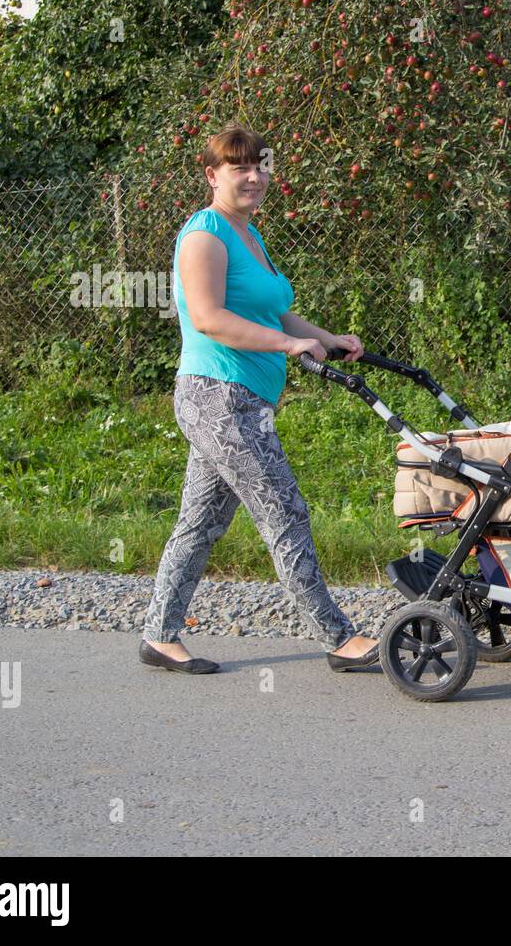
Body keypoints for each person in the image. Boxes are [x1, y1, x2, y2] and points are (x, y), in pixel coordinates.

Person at [138, 122, 377, 675]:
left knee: (199, 523)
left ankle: (158, 635)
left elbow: (274, 313)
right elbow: (210, 318)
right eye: (238, 166)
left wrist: (326, 338)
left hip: (241, 399)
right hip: (218, 398)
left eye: (260, 166)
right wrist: (290, 344)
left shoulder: (249, 235)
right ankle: (337, 637)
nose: (252, 175)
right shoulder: (205, 234)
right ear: (211, 174)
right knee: (285, 510)